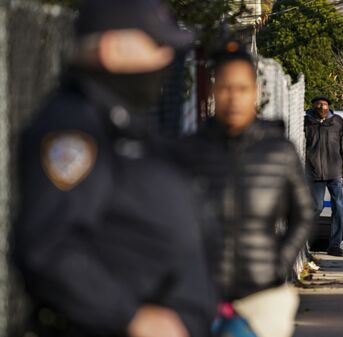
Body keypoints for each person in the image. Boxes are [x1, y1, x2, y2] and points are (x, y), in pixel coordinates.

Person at [10, 1, 216, 337]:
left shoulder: (124, 125)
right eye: (158, 45)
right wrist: (130, 317)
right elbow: (48, 247)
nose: (167, 58)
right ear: (113, 49)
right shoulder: (75, 130)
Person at [182, 42, 314, 337]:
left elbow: (303, 213)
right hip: (199, 297)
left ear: (255, 92)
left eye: (242, 88)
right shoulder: (189, 151)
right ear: (214, 91)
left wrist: (280, 263)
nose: (234, 97)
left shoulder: (279, 151)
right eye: (226, 88)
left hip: (260, 297)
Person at [304, 97, 343, 256]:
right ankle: (303, 241)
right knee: (316, 207)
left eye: (324, 104)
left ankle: (335, 245)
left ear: (328, 106)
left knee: (338, 207)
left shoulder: (337, 122)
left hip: (334, 172)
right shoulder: (306, 121)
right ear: (313, 106)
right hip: (314, 172)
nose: (321, 106)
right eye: (318, 104)